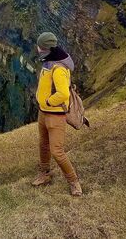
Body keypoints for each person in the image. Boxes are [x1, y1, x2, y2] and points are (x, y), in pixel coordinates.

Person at [31, 31, 82, 196]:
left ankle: (74, 182)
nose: (37, 49)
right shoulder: (49, 61)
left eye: (40, 46)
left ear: (46, 48)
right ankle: (44, 174)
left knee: (57, 151)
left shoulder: (58, 68)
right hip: (43, 113)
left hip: (55, 115)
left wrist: (47, 102)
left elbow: (63, 94)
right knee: (43, 144)